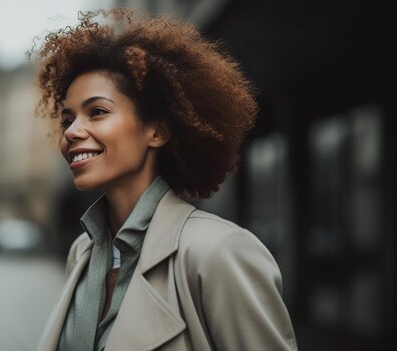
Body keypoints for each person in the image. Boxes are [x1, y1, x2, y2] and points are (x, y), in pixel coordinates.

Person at [32, 9, 297, 351]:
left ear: (156, 130)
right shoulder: (81, 253)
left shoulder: (217, 252)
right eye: (67, 118)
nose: (71, 132)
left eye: (97, 111)